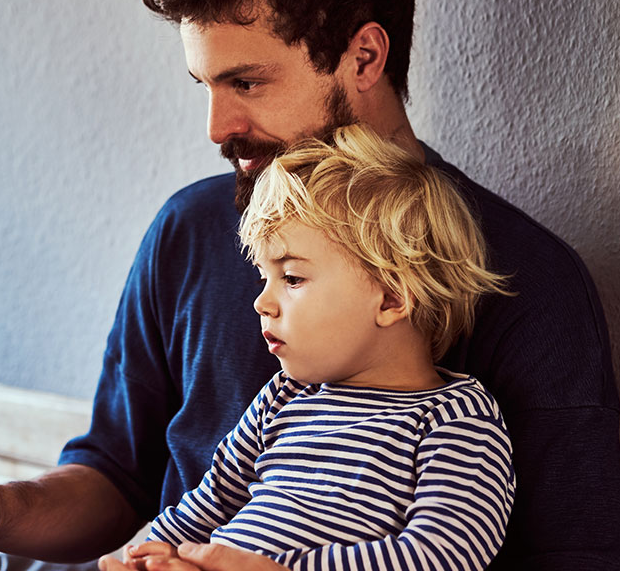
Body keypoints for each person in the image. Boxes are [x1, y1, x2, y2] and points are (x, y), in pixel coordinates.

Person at [0, 0, 620, 570]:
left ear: (364, 58)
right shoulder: (190, 231)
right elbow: (119, 480)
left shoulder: (521, 281)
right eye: (206, 85)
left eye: (248, 83)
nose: (217, 128)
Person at [105, 124, 516, 571]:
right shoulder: (281, 397)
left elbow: (443, 555)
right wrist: (146, 554)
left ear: (393, 297)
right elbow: (212, 499)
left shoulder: (454, 420)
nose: (261, 301)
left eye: (292, 278)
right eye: (264, 276)